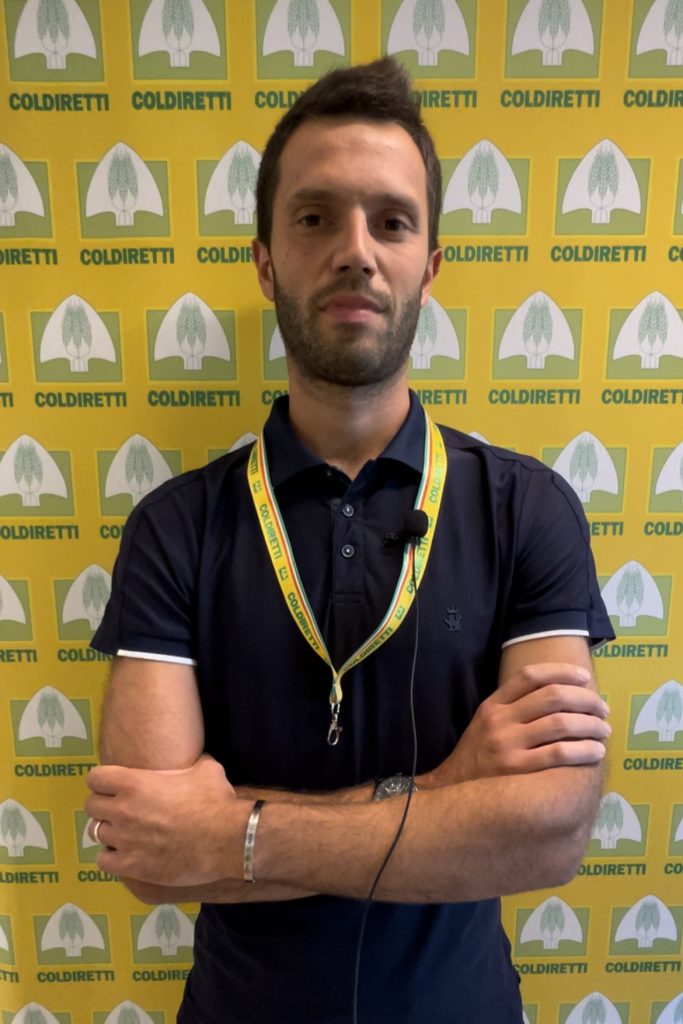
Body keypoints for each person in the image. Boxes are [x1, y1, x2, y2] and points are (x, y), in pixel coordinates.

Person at [85, 58, 615, 1024]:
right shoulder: (174, 527)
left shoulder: (527, 509)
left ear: (430, 265)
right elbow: (151, 859)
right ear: (265, 261)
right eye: (315, 217)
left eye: (392, 221)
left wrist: (231, 833)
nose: (356, 251)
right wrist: (449, 791)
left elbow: (547, 833)